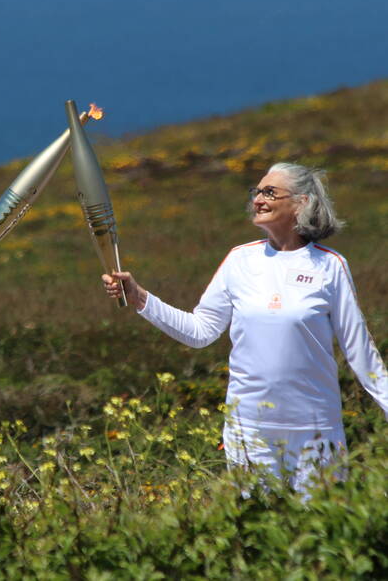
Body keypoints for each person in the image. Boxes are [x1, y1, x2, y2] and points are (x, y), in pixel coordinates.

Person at [103, 162, 388, 495]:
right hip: (249, 432)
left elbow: (361, 355)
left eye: (270, 192)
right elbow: (200, 331)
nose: (259, 200)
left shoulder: (330, 266)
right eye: (257, 192)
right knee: (255, 530)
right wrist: (139, 298)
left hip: (315, 431)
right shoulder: (240, 261)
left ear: (302, 202)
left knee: (317, 537)